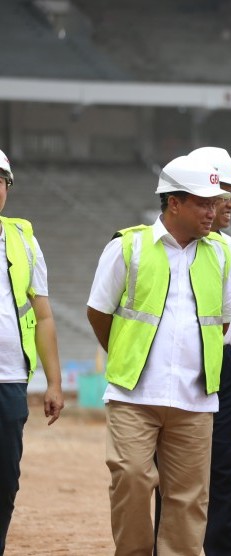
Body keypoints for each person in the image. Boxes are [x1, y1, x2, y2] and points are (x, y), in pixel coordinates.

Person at [87, 156, 231, 556]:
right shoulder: (127, 246)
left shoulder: (221, 253)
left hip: (195, 399)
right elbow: (98, 312)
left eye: (215, 201)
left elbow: (221, 322)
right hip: (134, 396)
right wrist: (126, 354)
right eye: (204, 203)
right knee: (132, 479)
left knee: (190, 499)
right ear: (174, 203)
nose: (214, 210)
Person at [188, 146, 231, 555]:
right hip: (183, 365)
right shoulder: (161, 245)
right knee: (177, 469)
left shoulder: (230, 248)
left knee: (223, 465)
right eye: (223, 190)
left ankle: (225, 547)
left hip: (223, 366)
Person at [0, 149, 63, 555]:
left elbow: (42, 316)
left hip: (8, 381)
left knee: (4, 482)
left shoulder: (23, 239)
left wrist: (54, 382)